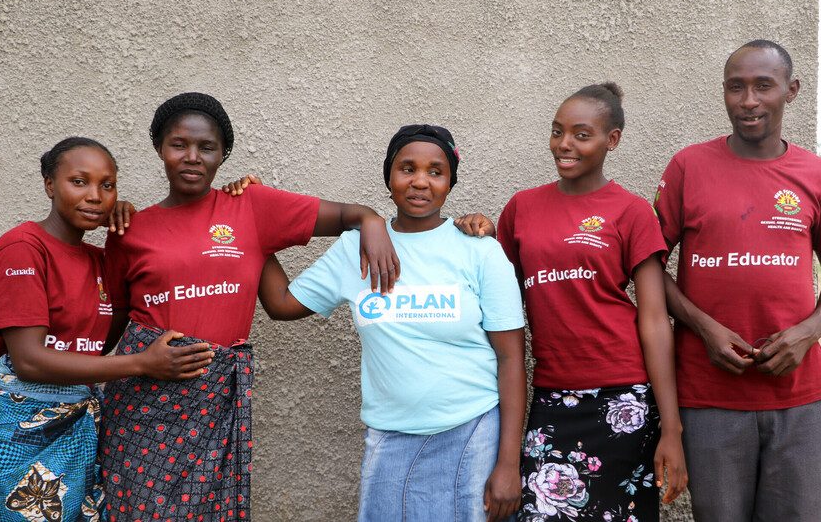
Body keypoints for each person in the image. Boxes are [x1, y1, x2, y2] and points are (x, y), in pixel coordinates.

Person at [98, 92, 399, 521]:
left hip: (215, 398)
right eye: (178, 144)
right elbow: (114, 325)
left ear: (223, 155)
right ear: (159, 149)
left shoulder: (250, 206)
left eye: (207, 147)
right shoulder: (129, 229)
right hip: (143, 402)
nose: (192, 157)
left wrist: (371, 223)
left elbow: (351, 214)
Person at [253, 124, 527, 522]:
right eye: (407, 168)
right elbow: (281, 304)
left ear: (450, 181)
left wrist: (508, 463)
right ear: (389, 176)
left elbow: (511, 359)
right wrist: (253, 226)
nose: (420, 181)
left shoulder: (478, 249)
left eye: (435, 171)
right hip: (390, 438)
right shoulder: (354, 248)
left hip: (472, 433)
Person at [654, 40, 821, 521]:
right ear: (724, 93)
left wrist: (808, 332)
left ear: (792, 90)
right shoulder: (687, 167)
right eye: (736, 87)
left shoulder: (818, 176)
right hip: (709, 395)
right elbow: (648, 265)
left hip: (801, 398)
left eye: (763, 86)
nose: (749, 100)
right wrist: (703, 326)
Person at [0, 137, 212, 522]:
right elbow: (29, 361)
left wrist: (127, 232)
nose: (95, 196)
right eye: (79, 182)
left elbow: (95, 345)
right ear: (49, 185)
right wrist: (142, 363)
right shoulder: (23, 248)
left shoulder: (102, 261)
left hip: (79, 427)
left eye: (107, 186)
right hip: (17, 431)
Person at [494, 83, 687, 521]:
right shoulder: (521, 208)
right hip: (550, 395)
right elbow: (497, 298)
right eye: (557, 131)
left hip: (625, 400)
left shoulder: (632, 211)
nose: (565, 145)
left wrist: (671, 428)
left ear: (611, 140)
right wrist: (474, 233)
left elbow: (656, 320)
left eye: (582, 135)